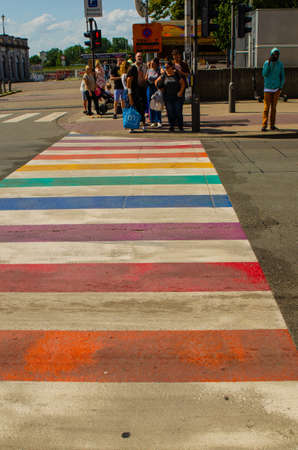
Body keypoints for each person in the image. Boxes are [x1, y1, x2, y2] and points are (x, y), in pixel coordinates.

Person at [156, 60, 185, 132]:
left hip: (177, 96)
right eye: (165, 67)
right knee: (170, 112)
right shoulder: (164, 75)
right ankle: (171, 126)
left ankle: (180, 126)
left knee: (178, 111)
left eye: (167, 67)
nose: (166, 69)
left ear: (172, 67)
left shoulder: (177, 74)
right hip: (168, 97)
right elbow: (156, 82)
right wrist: (160, 90)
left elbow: (183, 83)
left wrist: (181, 92)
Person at [262, 48, 285, 131]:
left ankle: (272, 125)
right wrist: (269, 64)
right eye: (274, 54)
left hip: (276, 89)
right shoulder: (266, 63)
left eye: (277, 54)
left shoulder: (280, 64)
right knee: (266, 108)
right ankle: (264, 125)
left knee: (274, 108)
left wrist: (280, 86)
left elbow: (282, 76)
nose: (276, 56)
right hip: (267, 88)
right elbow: (264, 74)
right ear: (271, 54)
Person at [127, 52, 148, 132]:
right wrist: (129, 94)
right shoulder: (132, 68)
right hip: (134, 91)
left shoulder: (144, 67)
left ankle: (143, 124)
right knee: (133, 108)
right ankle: (131, 126)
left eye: (141, 56)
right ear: (135, 58)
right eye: (138, 56)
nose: (140, 58)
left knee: (142, 108)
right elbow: (128, 81)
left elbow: (144, 79)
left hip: (142, 90)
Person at [146, 57, 162, 128]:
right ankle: (153, 121)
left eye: (153, 63)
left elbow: (162, 76)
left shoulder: (159, 70)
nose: (152, 64)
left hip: (157, 88)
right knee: (151, 104)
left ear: (156, 64)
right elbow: (146, 78)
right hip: (149, 88)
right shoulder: (148, 70)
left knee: (158, 104)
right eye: (151, 63)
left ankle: (158, 121)